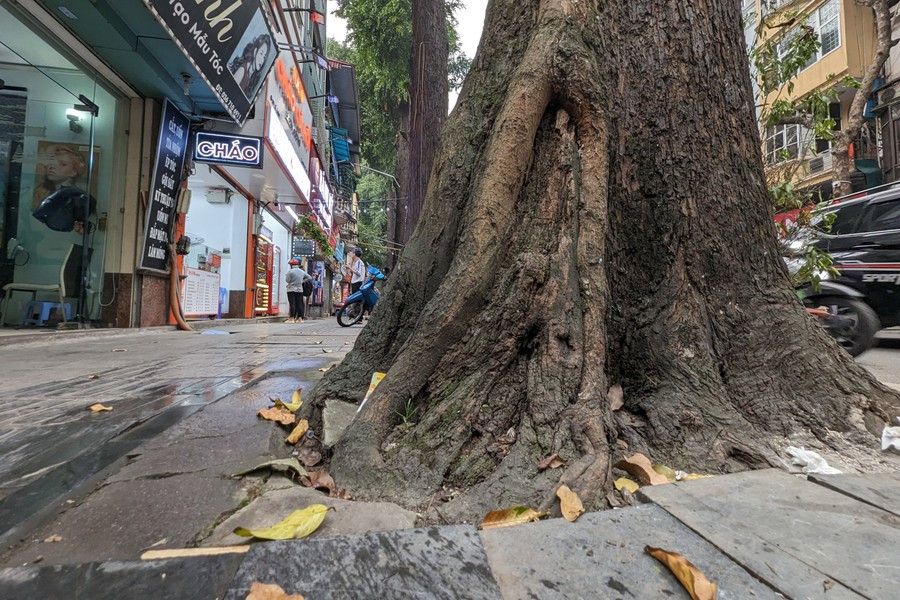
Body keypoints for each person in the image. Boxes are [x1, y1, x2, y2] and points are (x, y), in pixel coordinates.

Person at [229, 34, 272, 99]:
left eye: (264, 56)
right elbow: (228, 94)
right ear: (255, 52)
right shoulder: (242, 70)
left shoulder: (252, 76)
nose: (262, 60)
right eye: (261, 53)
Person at [285, 258, 311, 323]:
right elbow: (309, 277)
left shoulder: (290, 271)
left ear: (291, 265)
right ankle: (300, 319)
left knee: (292, 304)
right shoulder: (302, 271)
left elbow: (287, 280)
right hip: (300, 290)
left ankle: (291, 318)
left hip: (291, 289)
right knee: (300, 304)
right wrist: (302, 281)